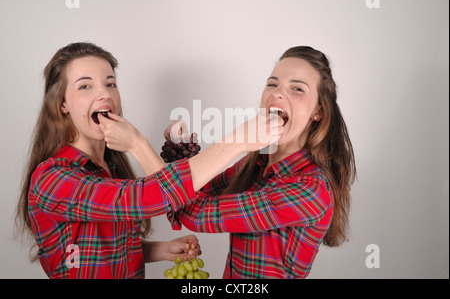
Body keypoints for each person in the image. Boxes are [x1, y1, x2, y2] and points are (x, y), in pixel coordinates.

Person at [15, 42, 283, 279]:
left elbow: (105, 249)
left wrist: (160, 250)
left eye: (110, 83)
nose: (104, 94)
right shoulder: (52, 178)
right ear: (62, 104)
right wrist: (238, 143)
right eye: (85, 86)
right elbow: (149, 196)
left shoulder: (112, 168)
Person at [163, 46, 357, 278]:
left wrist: (138, 145)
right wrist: (179, 144)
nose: (278, 93)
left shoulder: (309, 189)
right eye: (272, 84)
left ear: (318, 111)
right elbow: (193, 190)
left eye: (297, 88)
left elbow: (195, 213)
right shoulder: (256, 165)